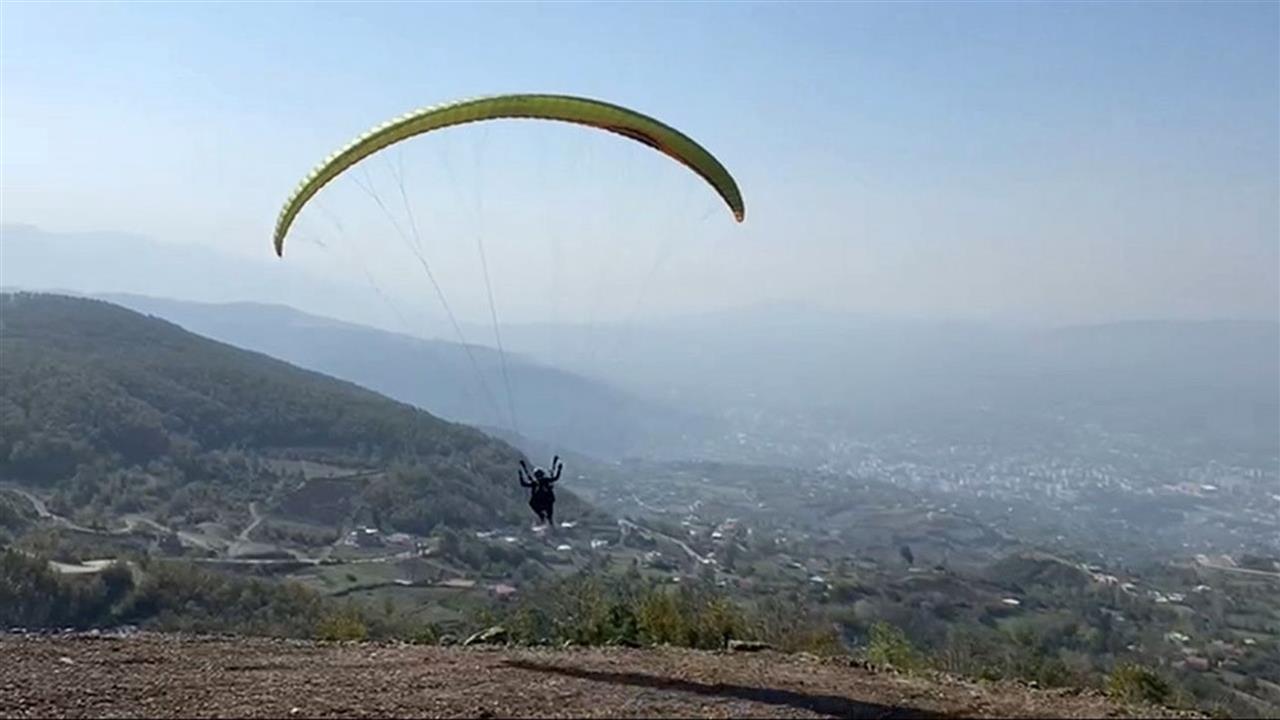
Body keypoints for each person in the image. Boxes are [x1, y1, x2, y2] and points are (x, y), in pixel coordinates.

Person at [518, 456, 563, 526]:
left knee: (545, 513)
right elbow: (556, 478)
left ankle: (543, 518)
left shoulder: (536, 483)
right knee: (548, 516)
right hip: (545, 502)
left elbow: (523, 484)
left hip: (544, 501)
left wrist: (520, 476)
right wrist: (559, 469)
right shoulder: (542, 482)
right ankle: (546, 519)